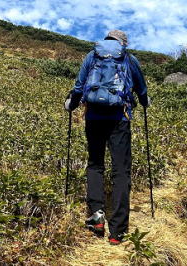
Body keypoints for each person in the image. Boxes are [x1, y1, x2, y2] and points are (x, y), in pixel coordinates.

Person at [64, 29, 149, 245]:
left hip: (93, 116)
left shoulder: (92, 56)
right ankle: (117, 231)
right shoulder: (129, 59)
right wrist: (145, 102)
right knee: (121, 170)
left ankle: (97, 216)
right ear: (123, 43)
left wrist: (71, 104)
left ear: (107, 40)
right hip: (120, 118)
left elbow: (78, 86)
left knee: (95, 165)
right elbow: (141, 88)